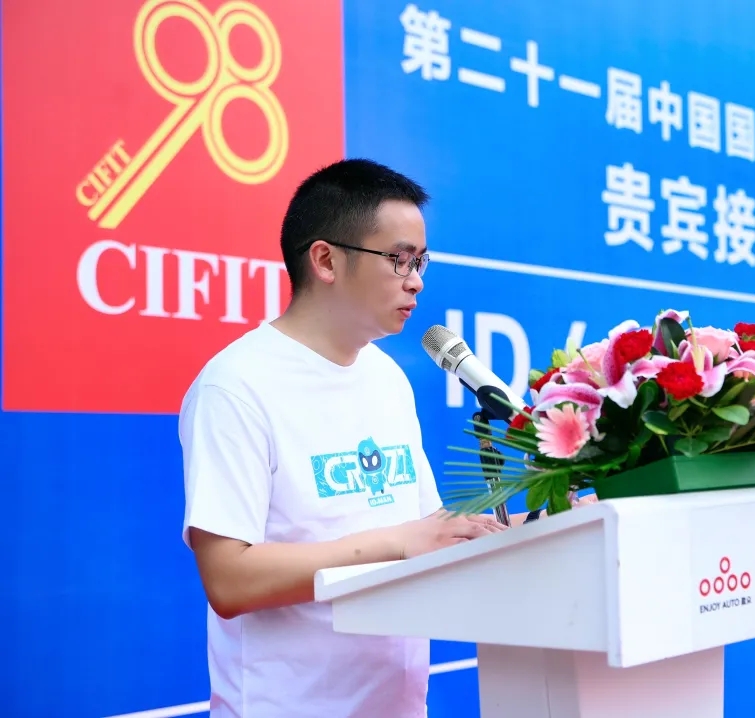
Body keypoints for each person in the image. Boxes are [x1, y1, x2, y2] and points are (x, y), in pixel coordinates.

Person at [179, 158, 518, 717]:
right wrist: (396, 544)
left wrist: (551, 521)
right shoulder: (236, 385)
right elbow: (229, 580)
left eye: (421, 261)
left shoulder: (387, 376)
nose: (416, 280)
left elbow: (426, 532)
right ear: (325, 260)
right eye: (399, 259)